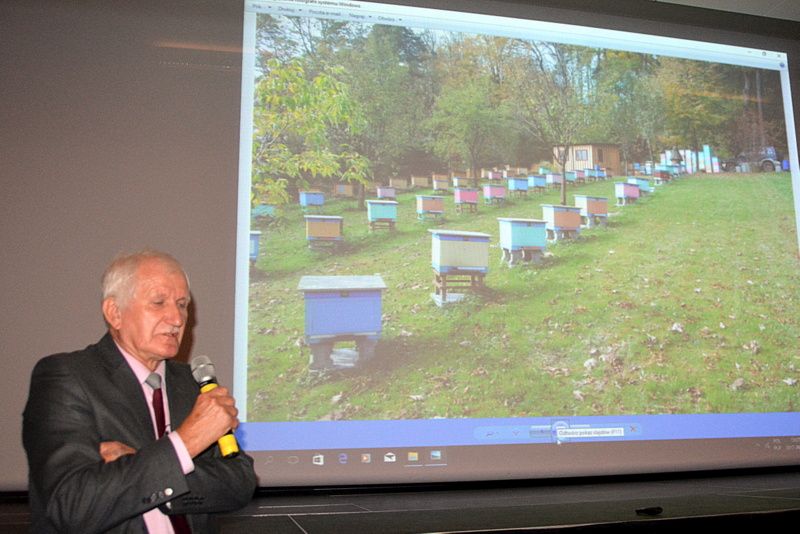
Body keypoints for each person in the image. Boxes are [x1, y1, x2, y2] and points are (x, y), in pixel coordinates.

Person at [22, 250, 257, 533]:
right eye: (159, 303)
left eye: (182, 304)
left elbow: (239, 483)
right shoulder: (67, 377)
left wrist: (142, 467)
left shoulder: (193, 383)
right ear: (114, 313)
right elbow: (72, 504)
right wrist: (185, 444)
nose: (177, 318)